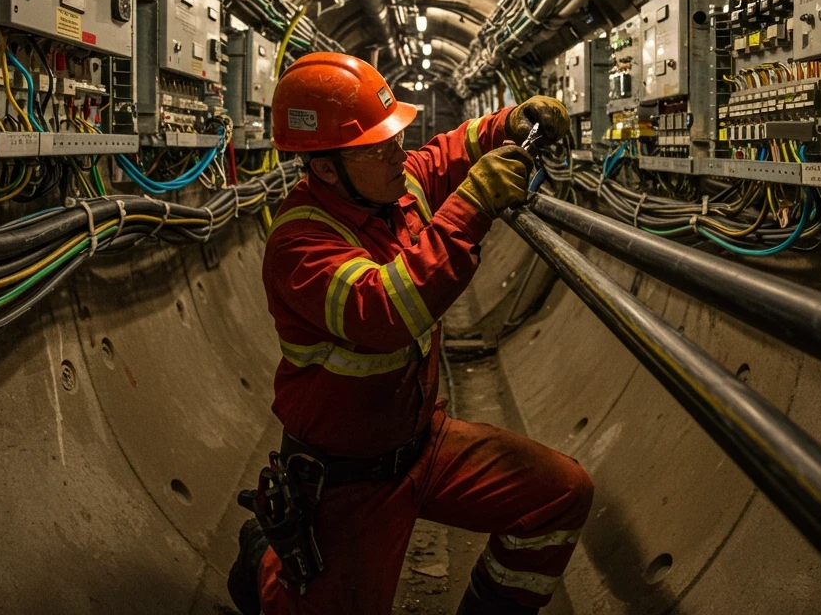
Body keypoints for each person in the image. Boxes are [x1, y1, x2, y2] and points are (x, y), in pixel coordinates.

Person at [228, 52, 593, 615]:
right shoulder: (300, 243)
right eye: (380, 145)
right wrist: (472, 205)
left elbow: (448, 152)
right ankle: (263, 564)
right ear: (326, 168)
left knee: (559, 495)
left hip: (424, 444)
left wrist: (511, 121)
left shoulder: (392, 187)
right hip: (347, 479)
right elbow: (385, 311)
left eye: (395, 135)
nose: (400, 151)